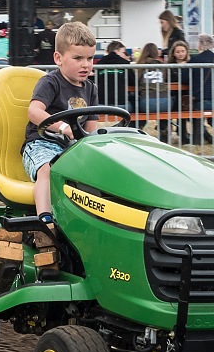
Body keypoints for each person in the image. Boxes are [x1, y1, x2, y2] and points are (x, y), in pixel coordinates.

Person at [22, 22, 99, 222]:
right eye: (78, 58)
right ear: (58, 58)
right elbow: (34, 111)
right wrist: (63, 127)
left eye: (90, 58)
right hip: (41, 144)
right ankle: (45, 222)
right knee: (48, 169)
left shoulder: (91, 88)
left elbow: (91, 129)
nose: (86, 65)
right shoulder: (51, 82)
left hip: (71, 149)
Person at [183, 35, 214, 145]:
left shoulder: (195, 60)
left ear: (200, 44)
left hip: (202, 100)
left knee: (194, 114)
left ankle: (200, 137)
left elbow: (184, 78)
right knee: (213, 116)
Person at [134, 42, 173, 143]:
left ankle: (135, 130)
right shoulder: (161, 65)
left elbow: (135, 81)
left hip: (147, 102)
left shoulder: (140, 66)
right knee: (162, 112)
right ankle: (164, 130)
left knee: (136, 106)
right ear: (156, 52)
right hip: (165, 102)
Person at [94, 40, 134, 112]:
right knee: (135, 106)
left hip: (101, 103)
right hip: (121, 104)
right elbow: (133, 81)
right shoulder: (124, 63)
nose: (125, 55)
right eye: (123, 52)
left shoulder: (99, 64)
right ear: (116, 51)